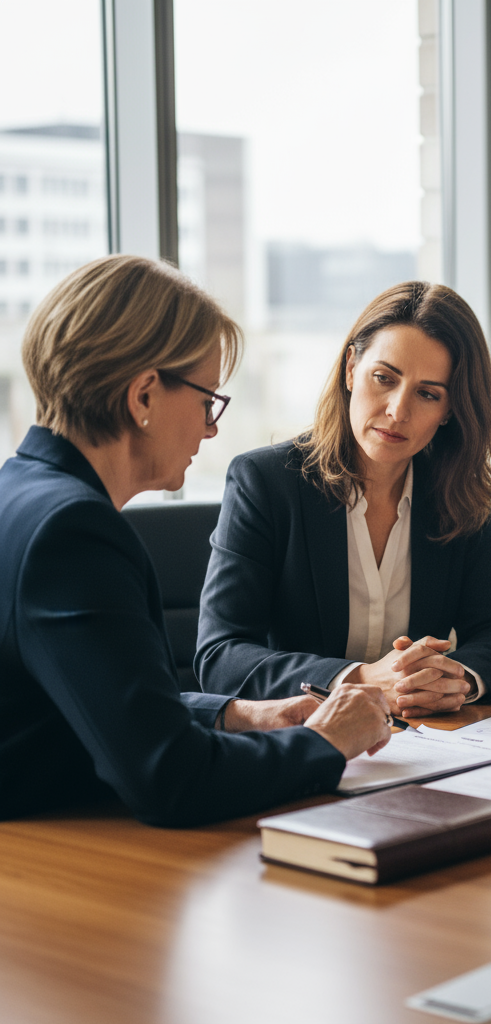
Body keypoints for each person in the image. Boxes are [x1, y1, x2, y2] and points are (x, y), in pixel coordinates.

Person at [0, 255, 392, 827]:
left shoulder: (18, 491)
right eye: (207, 400)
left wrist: (240, 714)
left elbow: (97, 702)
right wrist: (330, 741)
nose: (211, 428)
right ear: (143, 398)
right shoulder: (74, 533)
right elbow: (172, 779)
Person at [196, 281, 491, 718]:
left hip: (424, 743)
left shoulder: (456, 493)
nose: (397, 410)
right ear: (351, 368)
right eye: (384, 378)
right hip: (303, 742)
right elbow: (220, 655)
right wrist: (359, 679)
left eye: (427, 394)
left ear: (449, 410)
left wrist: (455, 681)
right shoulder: (266, 482)